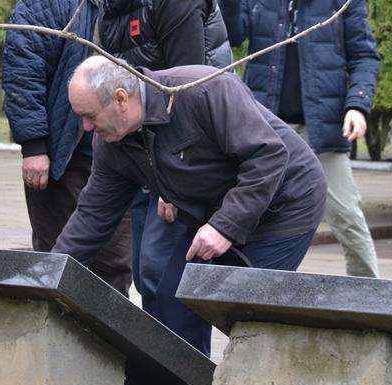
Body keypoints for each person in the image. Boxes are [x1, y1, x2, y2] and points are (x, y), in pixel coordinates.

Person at [52, 56, 327, 355]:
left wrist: (225, 226)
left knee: (248, 313)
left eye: (90, 115)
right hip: (213, 209)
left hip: (285, 202)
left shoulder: (203, 90)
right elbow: (93, 214)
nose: (86, 127)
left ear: (121, 98)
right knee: (174, 297)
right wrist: (48, 275)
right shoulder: (111, 144)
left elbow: (268, 156)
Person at [72, 0, 232, 327]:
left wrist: (171, 183)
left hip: (183, 157)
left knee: (168, 282)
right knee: (150, 275)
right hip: (142, 149)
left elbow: (189, 89)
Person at [218, 0, 382, 278]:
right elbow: (233, 38)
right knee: (251, 212)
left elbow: (364, 56)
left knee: (347, 216)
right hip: (266, 127)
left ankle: (371, 295)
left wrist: (357, 106)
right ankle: (252, 290)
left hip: (322, 128)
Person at [1, 0, 132, 295]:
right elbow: (22, 71)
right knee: (55, 257)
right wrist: (34, 146)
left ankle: (109, 343)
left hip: (124, 154)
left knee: (116, 263)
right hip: (64, 155)